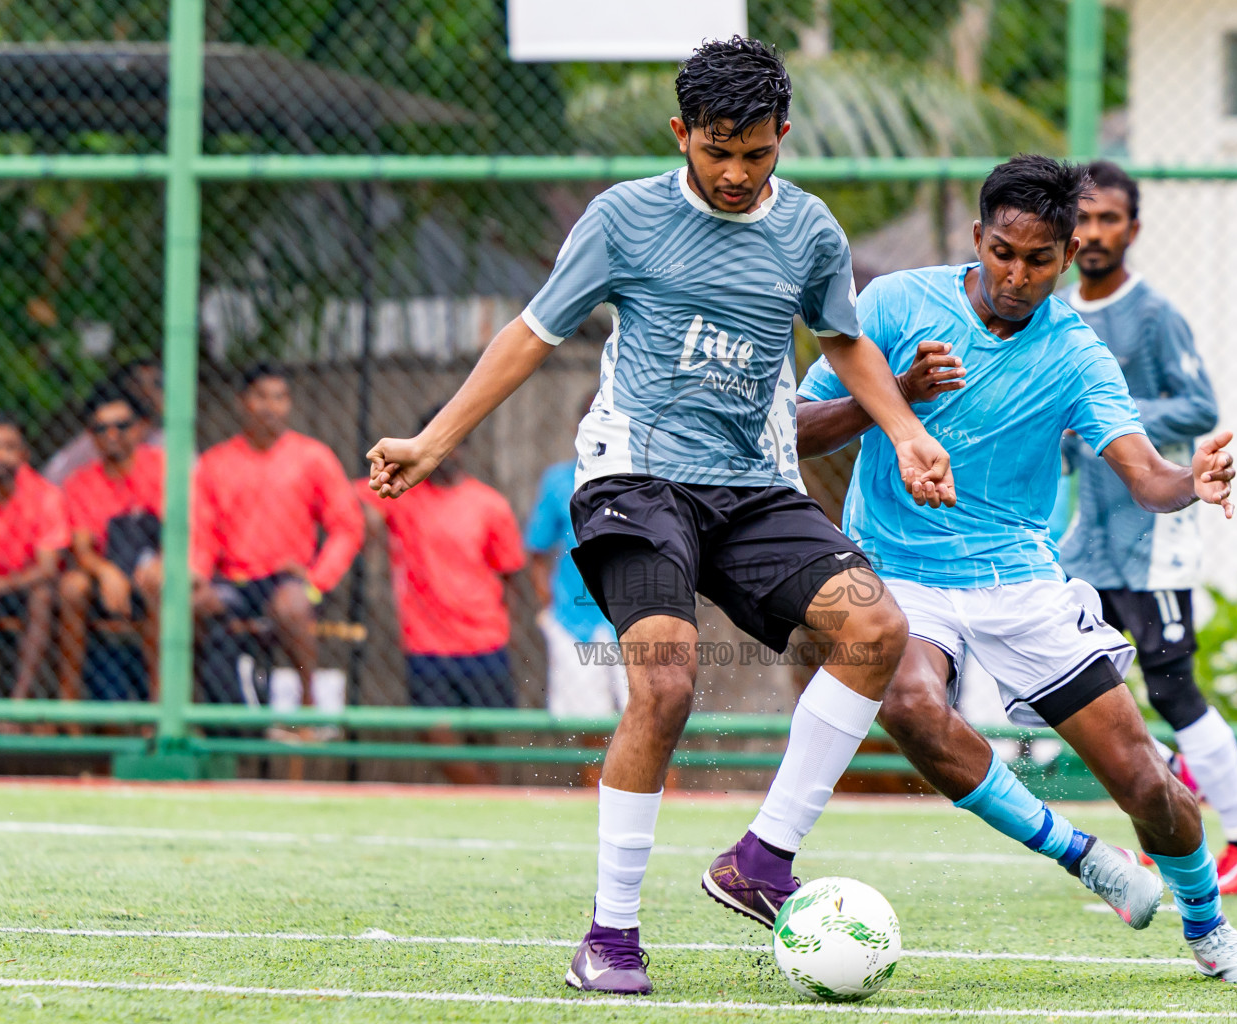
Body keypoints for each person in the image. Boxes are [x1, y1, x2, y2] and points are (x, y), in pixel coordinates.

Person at [365, 36, 953, 996]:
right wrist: (433, 440)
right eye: (716, 149)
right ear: (681, 133)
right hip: (636, 481)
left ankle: (761, 859)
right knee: (669, 684)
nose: (733, 172)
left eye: (755, 153)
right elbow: (530, 334)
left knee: (875, 629)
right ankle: (610, 937)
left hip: (757, 487)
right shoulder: (625, 218)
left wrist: (906, 433)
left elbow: (844, 342)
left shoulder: (809, 232)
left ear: (783, 138)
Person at [796, 155, 1237, 983]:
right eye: (1003, 253)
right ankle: (1077, 853)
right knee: (910, 703)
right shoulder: (895, 303)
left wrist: (1188, 482)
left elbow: (1143, 474)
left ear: (1068, 255)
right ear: (979, 237)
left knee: (1146, 783)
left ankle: (1209, 926)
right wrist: (897, 395)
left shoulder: (1078, 353)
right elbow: (802, 429)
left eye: (1039, 260)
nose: (1017, 276)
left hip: (1019, 581)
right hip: (899, 571)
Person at [1057, 160, 1237, 895]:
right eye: (1082, 219)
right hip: (1083, 541)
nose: (1092, 234)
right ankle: (1168, 804)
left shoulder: (1152, 314)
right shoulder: (1055, 311)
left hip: (1151, 539)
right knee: (1073, 685)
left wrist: (1107, 418)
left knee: (1174, 688)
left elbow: (1196, 405)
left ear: (1133, 228)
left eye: (1107, 220)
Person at [356, 406, 526, 784]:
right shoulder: (400, 495)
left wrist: (498, 624)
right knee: (435, 736)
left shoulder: (490, 505)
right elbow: (354, 504)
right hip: (426, 645)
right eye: (441, 445)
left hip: (484, 642)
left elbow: (510, 573)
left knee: (487, 740)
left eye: (458, 445)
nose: (451, 453)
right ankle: (484, 798)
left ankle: (485, 812)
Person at [190, 363, 363, 724]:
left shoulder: (313, 457)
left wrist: (318, 580)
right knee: (188, 605)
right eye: (261, 397)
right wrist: (198, 577)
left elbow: (348, 527)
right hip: (233, 582)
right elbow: (201, 533)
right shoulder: (213, 463)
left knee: (291, 606)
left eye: (280, 398)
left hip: (292, 580)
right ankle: (197, 711)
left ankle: (306, 704)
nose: (271, 406)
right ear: (242, 402)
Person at [59, 383, 164, 702]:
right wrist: (105, 572)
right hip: (106, 576)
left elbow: (178, 532)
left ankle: (161, 703)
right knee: (72, 587)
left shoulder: (162, 467)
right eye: (101, 428)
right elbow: (81, 548)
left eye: (122, 426)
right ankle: (69, 702)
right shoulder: (80, 482)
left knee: (156, 581)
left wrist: (160, 563)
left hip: (153, 573)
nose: (112, 435)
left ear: (139, 428)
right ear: (90, 436)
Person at [526, 400, 628, 720]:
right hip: (575, 622)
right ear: (579, 429)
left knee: (658, 718)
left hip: (635, 618)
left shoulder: (643, 481)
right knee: (588, 724)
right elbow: (537, 552)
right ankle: (601, 775)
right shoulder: (558, 481)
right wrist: (549, 608)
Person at [0, 413, 68, 706]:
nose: (0, 456)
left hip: (23, 586)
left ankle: (18, 703)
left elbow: (46, 568)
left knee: (42, 596)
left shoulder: (47, 496)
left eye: (9, 448)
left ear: (24, 454)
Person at [44, 359, 164, 486]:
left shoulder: (162, 443)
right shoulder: (91, 443)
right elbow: (52, 477)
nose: (148, 392)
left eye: (157, 384)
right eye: (140, 384)